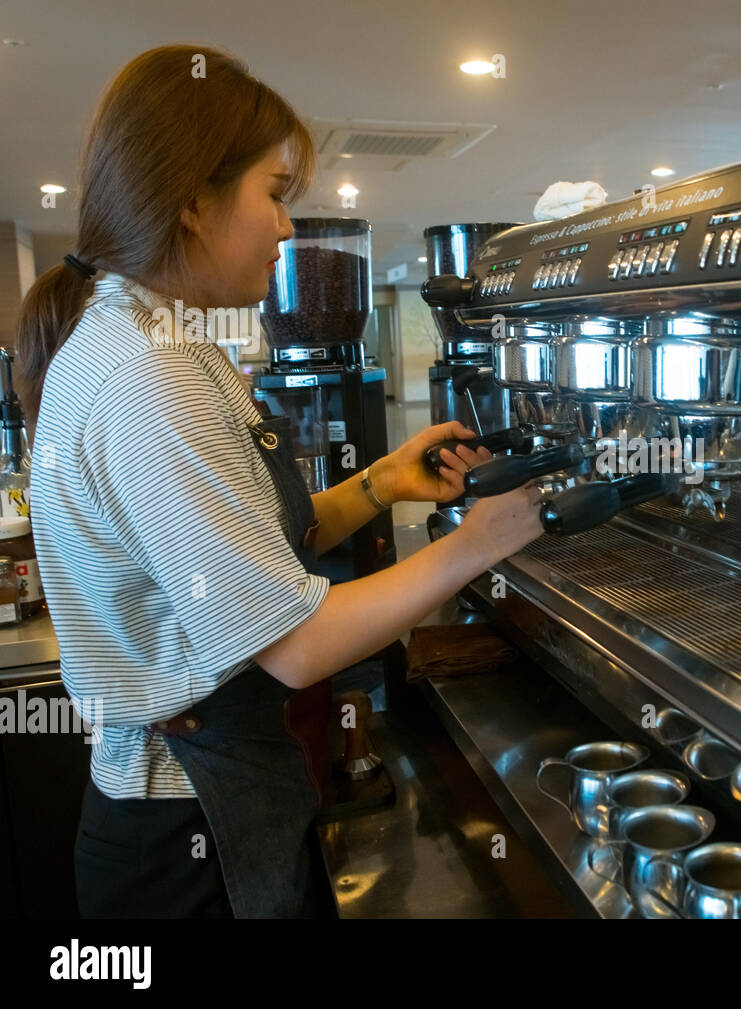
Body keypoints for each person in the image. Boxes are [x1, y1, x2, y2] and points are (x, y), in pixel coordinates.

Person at [15, 45, 543, 918]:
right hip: (186, 839)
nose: (289, 230)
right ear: (192, 200)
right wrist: (486, 537)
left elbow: (250, 554)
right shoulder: (151, 374)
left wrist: (380, 483)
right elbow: (294, 641)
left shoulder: (156, 345)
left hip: (209, 806)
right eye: (274, 192)